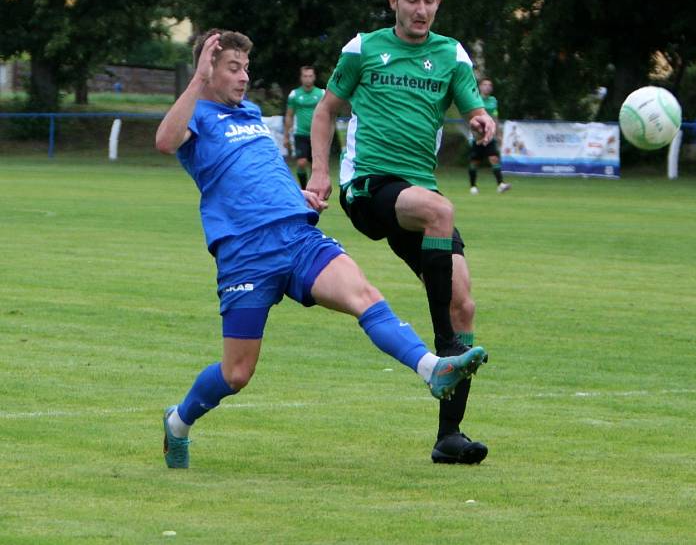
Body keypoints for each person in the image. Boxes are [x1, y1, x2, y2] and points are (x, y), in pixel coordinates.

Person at [154, 29, 487, 469]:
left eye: (246, 68)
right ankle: (178, 422)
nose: (243, 77)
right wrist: (195, 82)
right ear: (208, 69)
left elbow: (259, 173)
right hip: (246, 254)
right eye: (233, 68)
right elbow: (164, 141)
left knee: (364, 296)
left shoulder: (251, 113)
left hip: (297, 237)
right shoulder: (197, 115)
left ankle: (432, 367)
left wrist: (300, 197)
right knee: (237, 373)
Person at [308, 0, 496, 465]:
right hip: (368, 188)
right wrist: (320, 173)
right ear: (394, 2)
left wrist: (480, 120)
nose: (420, 9)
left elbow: (472, 105)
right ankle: (439, 355)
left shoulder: (450, 55)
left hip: (415, 198)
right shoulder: (363, 49)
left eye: (429, 1)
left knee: (465, 304)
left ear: (439, 3)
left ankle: (449, 436)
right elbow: (326, 111)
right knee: (441, 211)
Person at [468, 77, 511, 194]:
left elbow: (495, 117)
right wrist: (475, 133)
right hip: (477, 136)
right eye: (485, 85)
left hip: (490, 135)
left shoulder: (493, 101)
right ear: (480, 87)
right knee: (474, 161)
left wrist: (498, 134)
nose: (487, 87)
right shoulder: (475, 99)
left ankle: (500, 184)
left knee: (494, 158)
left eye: (490, 85)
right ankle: (473, 186)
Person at [283, 66, 324, 189]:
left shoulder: (321, 93)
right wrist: (286, 136)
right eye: (305, 76)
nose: (308, 79)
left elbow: (327, 114)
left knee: (316, 165)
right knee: (301, 163)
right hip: (300, 134)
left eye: (310, 76)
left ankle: (314, 189)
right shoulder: (295, 94)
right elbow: (289, 115)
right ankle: (304, 189)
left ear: (314, 77)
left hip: (317, 134)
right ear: (301, 78)